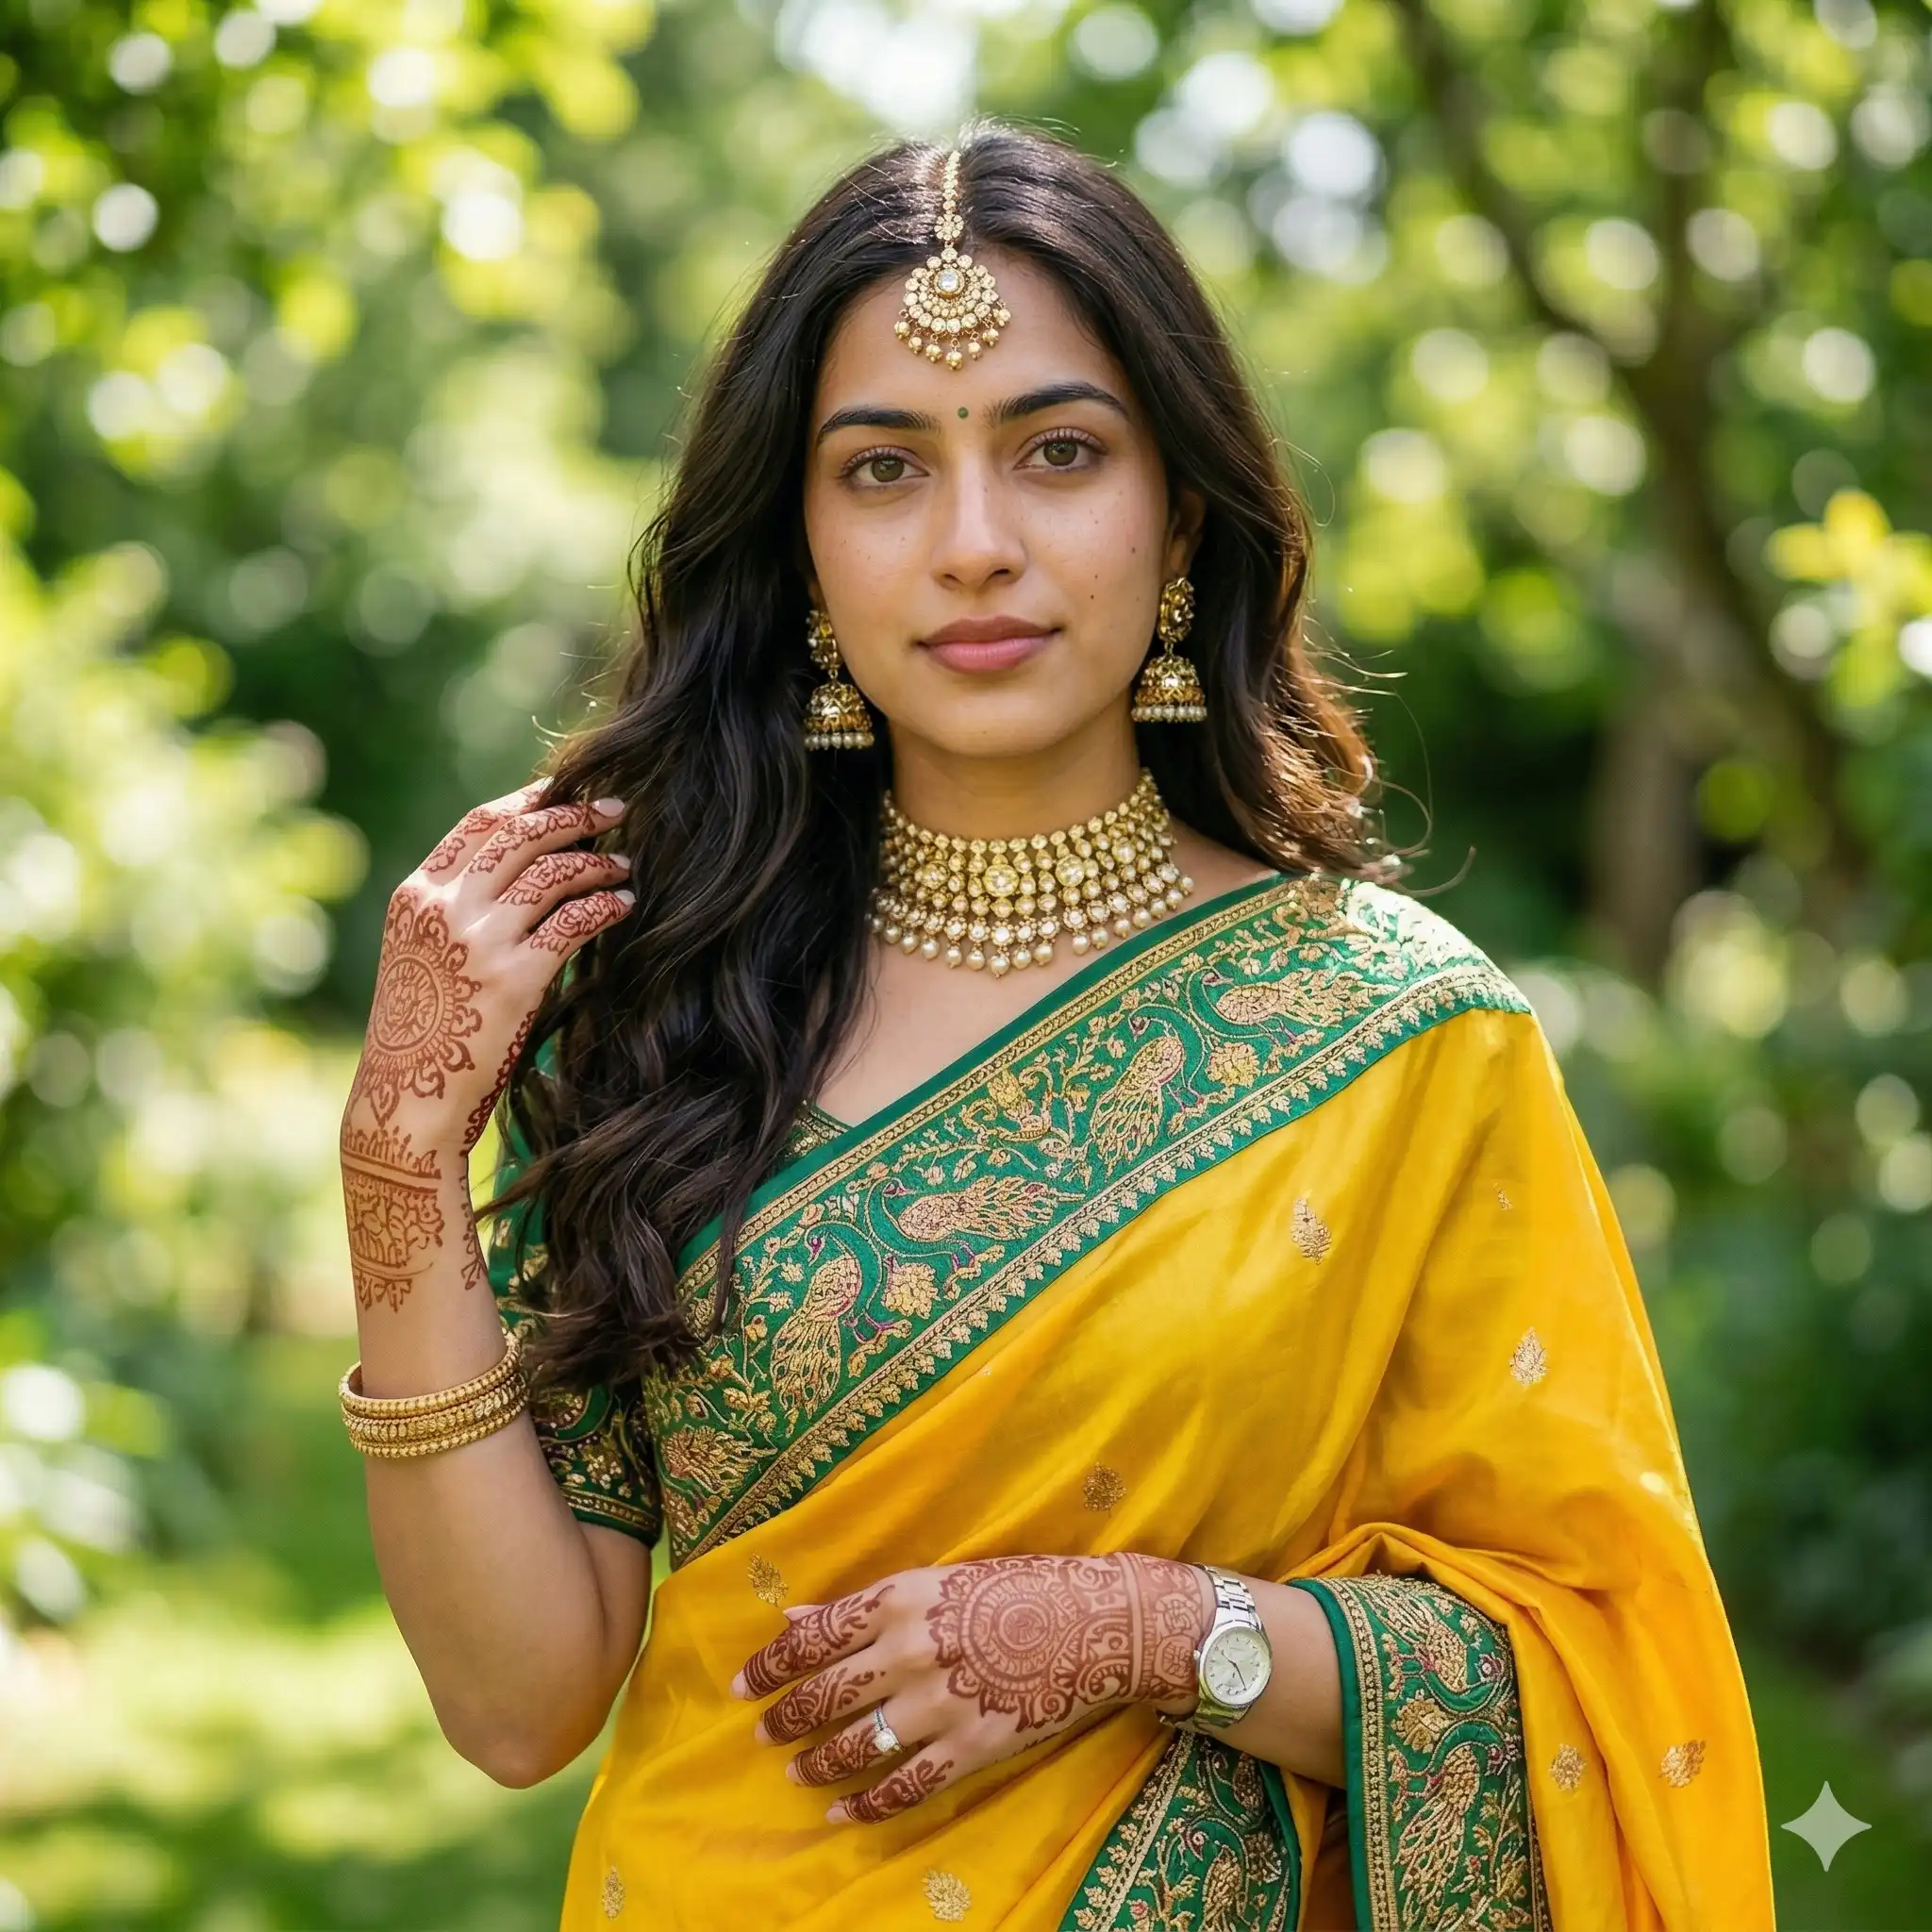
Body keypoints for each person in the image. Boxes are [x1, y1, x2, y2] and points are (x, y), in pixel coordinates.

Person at [335, 125, 1775, 1928]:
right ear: (797, 542)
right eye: (881, 471)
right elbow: (516, 1699)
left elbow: (1601, 1674)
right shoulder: (666, 1005)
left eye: (1059, 452)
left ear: (1176, 513)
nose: (973, 545)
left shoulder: (1405, 1041)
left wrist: (1157, 1630)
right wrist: (397, 1163)